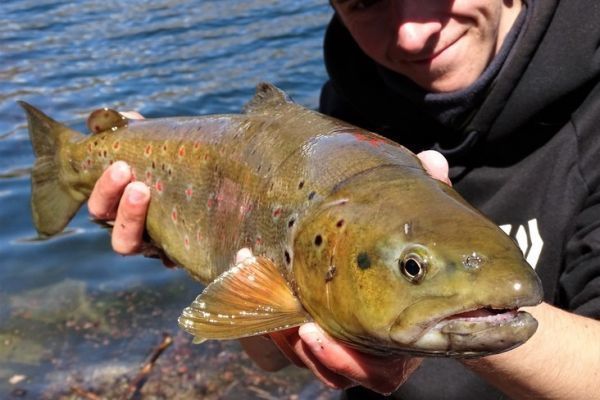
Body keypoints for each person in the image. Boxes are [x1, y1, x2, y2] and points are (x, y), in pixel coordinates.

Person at [87, 0, 600, 398]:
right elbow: (268, 355)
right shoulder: (354, 103)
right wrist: (182, 227)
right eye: (365, 2)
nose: (412, 31)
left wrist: (456, 317)